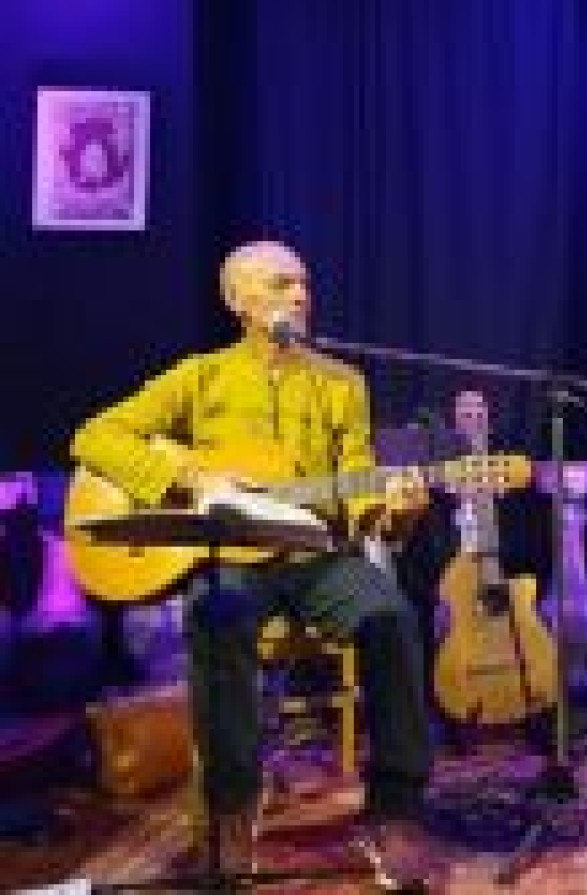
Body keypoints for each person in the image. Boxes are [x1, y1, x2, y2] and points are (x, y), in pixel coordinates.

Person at [70, 241, 433, 872]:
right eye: (281, 283)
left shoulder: (343, 383)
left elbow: (357, 487)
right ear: (236, 299)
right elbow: (95, 437)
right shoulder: (200, 376)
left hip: (317, 553)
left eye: (304, 283)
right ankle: (231, 811)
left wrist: (394, 510)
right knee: (218, 615)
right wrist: (184, 478)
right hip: (230, 553)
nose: (300, 295)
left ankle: (395, 809)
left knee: (390, 617)